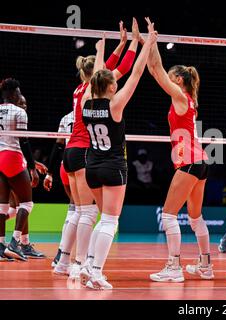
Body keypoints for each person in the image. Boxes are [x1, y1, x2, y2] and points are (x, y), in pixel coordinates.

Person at [54, 20, 139, 278]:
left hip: (70, 152)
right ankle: (80, 264)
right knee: (90, 214)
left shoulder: (82, 89)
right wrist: (134, 43)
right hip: (84, 152)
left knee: (78, 211)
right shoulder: (96, 90)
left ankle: (63, 261)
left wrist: (121, 43)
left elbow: (109, 67)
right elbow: (124, 69)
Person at [78, 19, 157, 290]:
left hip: (92, 166)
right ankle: (96, 272)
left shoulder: (86, 101)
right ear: (111, 87)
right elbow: (135, 73)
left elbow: (98, 73)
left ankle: (89, 264)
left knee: (104, 218)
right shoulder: (115, 105)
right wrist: (147, 41)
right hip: (112, 167)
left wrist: (101, 49)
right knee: (111, 220)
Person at [146, 27, 214, 283]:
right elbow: (155, 70)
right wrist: (150, 43)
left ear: (179, 80)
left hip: (188, 161)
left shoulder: (180, 95)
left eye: (171, 77)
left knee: (169, 214)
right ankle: (206, 266)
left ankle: (174, 268)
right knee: (195, 218)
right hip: (200, 162)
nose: (167, 78)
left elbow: (158, 71)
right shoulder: (186, 98)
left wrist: (153, 42)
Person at [0, 79, 39, 261]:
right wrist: (32, 168)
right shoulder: (19, 112)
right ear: (14, 94)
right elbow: (24, 141)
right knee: (27, 204)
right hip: (13, 157)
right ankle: (15, 243)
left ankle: (1, 246)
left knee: (2, 206)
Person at [43, 111, 75, 267]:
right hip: (82, 166)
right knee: (80, 212)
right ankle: (63, 255)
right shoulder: (93, 113)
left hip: (65, 165)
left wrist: (49, 173)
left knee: (73, 209)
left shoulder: (66, 117)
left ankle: (62, 255)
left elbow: (58, 145)